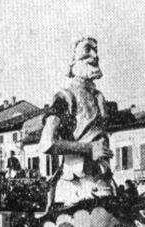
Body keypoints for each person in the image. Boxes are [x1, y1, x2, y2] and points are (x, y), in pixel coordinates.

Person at [39, 37, 114, 207]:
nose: (94, 56)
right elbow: (46, 143)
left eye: (96, 50)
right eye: (87, 50)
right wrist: (89, 148)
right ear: (72, 61)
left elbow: (124, 116)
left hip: (103, 182)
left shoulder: (98, 97)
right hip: (77, 188)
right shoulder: (65, 97)